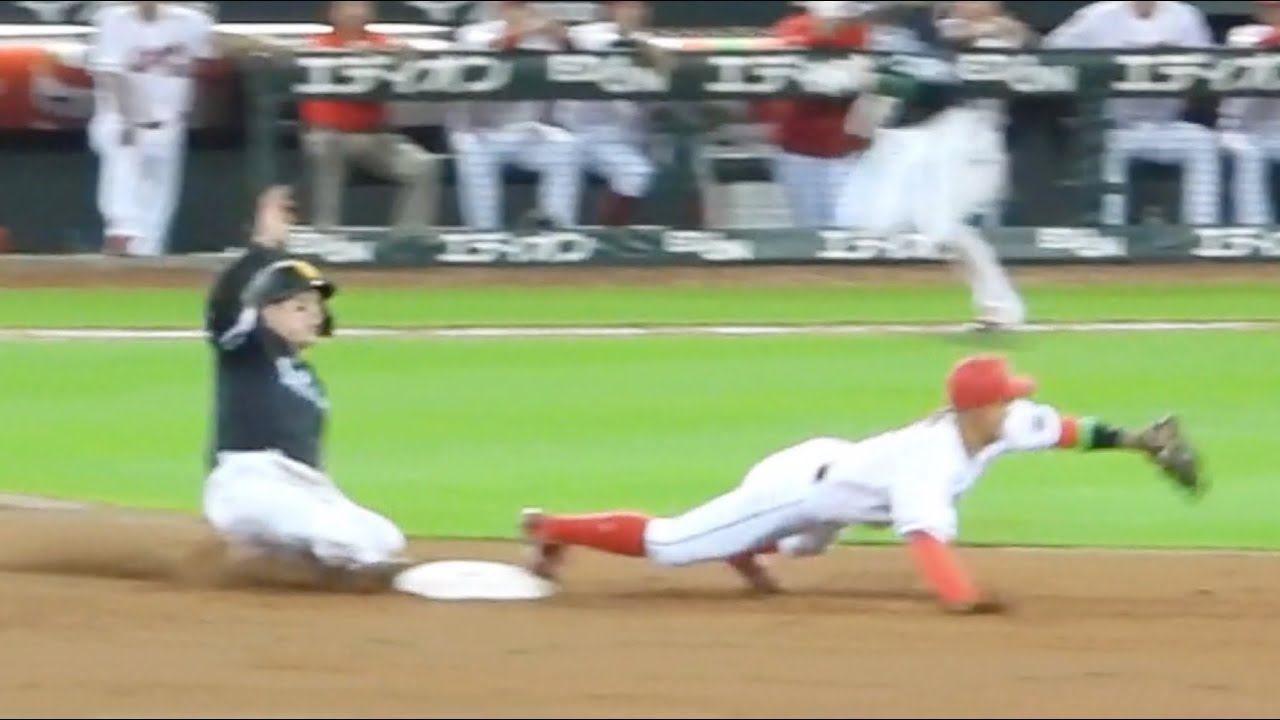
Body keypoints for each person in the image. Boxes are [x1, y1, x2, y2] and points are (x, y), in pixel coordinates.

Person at [520, 353, 1202, 615]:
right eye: (1007, 395)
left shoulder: (1001, 422)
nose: (1018, 402)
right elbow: (927, 541)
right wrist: (962, 598)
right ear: (979, 408)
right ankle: (551, 528)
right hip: (794, 488)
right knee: (672, 545)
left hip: (838, 482)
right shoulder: (931, 461)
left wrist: (1138, 442)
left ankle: (745, 549)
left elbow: (1067, 430)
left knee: (810, 547)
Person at [199, 186, 408, 588]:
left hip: (305, 488)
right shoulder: (247, 349)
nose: (315, 316)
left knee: (386, 539)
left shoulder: (304, 374)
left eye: (317, 308)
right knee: (348, 544)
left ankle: (270, 555)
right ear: (266, 311)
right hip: (250, 485)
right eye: (301, 307)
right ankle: (276, 559)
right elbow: (225, 306)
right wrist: (264, 246)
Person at [828, 1, 1027, 329]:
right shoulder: (903, 37)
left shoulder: (949, 32)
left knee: (943, 229)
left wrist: (873, 80)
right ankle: (999, 307)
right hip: (926, 137)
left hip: (965, 136)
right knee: (873, 224)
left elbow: (939, 84)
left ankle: (1000, 309)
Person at [1042, 0, 1220, 227]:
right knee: (1106, 148)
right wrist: (1096, 68)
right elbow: (1052, 50)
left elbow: (1207, 64)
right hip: (1115, 127)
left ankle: (1202, 228)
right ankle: (1110, 229)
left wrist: (1173, 60)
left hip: (1166, 126)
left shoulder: (1185, 15)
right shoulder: (1098, 15)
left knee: (1203, 142)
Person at [299, 0, 443, 238]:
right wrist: (351, 55)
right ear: (333, 13)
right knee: (323, 147)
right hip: (328, 134)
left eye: (361, 6)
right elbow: (314, 65)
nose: (356, 11)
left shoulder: (380, 42)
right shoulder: (318, 45)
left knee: (424, 166)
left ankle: (409, 237)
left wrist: (401, 55)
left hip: (375, 136)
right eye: (349, 6)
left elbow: (412, 57)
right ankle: (325, 235)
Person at [448, 0, 583, 229]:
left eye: (522, 6)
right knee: (470, 153)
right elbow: (496, 48)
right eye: (511, 6)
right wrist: (529, 29)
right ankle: (484, 234)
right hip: (481, 134)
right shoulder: (473, 33)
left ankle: (557, 228)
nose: (518, 12)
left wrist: (562, 36)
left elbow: (580, 56)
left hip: (526, 131)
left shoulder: (542, 38)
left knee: (566, 147)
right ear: (498, 9)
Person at [756, 0, 872, 228]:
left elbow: (878, 94)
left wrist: (861, 139)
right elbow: (773, 89)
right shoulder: (791, 27)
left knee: (854, 227)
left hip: (852, 155)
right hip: (801, 152)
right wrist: (824, 29)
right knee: (809, 228)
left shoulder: (865, 31)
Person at [556, 0, 668, 225]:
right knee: (559, 167)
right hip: (572, 134)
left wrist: (654, 62)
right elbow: (558, 33)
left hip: (617, 139)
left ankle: (609, 234)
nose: (632, 12)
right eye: (626, 6)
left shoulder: (656, 47)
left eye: (637, 7)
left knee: (638, 174)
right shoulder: (589, 34)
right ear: (612, 10)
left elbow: (661, 99)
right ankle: (555, 229)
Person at [1218, 0, 1280, 226]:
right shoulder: (1241, 35)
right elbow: (1269, 42)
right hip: (1239, 130)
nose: (1275, 13)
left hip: (1275, 132)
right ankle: (1255, 229)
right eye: (1271, 8)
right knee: (1248, 156)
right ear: (1259, 11)